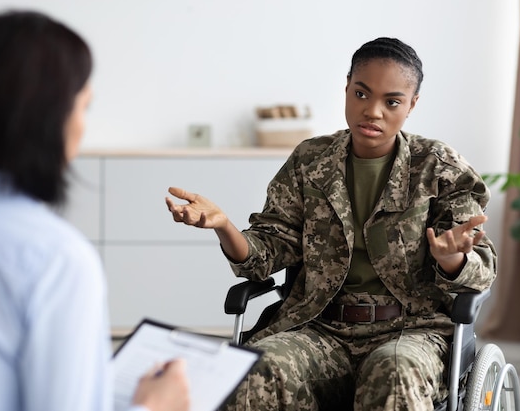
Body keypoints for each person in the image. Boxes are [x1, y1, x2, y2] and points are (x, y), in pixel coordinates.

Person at [166, 37, 497, 411]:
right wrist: (224, 226)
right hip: (319, 326)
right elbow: (266, 253)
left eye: (391, 101)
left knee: (394, 372)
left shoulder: (439, 167)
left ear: (411, 105)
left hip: (411, 329)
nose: (372, 111)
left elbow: (481, 268)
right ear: (346, 88)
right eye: (361, 93)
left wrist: (451, 259)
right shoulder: (310, 161)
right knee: (258, 368)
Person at [0, 10, 189, 411]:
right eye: (83, 107)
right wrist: (154, 407)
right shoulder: (53, 258)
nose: (82, 125)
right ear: (48, 118)